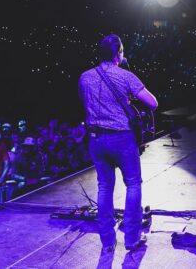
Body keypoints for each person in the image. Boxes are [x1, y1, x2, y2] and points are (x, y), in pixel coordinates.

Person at [78, 34, 158, 252]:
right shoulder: (126, 76)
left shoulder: (84, 77)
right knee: (133, 184)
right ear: (119, 53)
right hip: (121, 138)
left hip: (96, 138)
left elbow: (86, 104)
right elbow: (153, 103)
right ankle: (131, 239)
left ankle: (107, 242)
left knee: (105, 187)